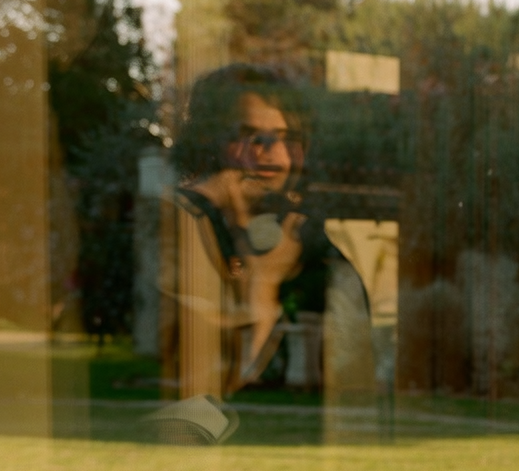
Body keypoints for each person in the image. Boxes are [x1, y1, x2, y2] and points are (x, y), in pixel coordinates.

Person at [158, 64, 373, 410]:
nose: (271, 154)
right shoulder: (180, 229)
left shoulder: (302, 240)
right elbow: (205, 402)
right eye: (249, 137)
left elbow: (356, 363)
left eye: (287, 139)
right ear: (210, 143)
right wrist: (265, 281)